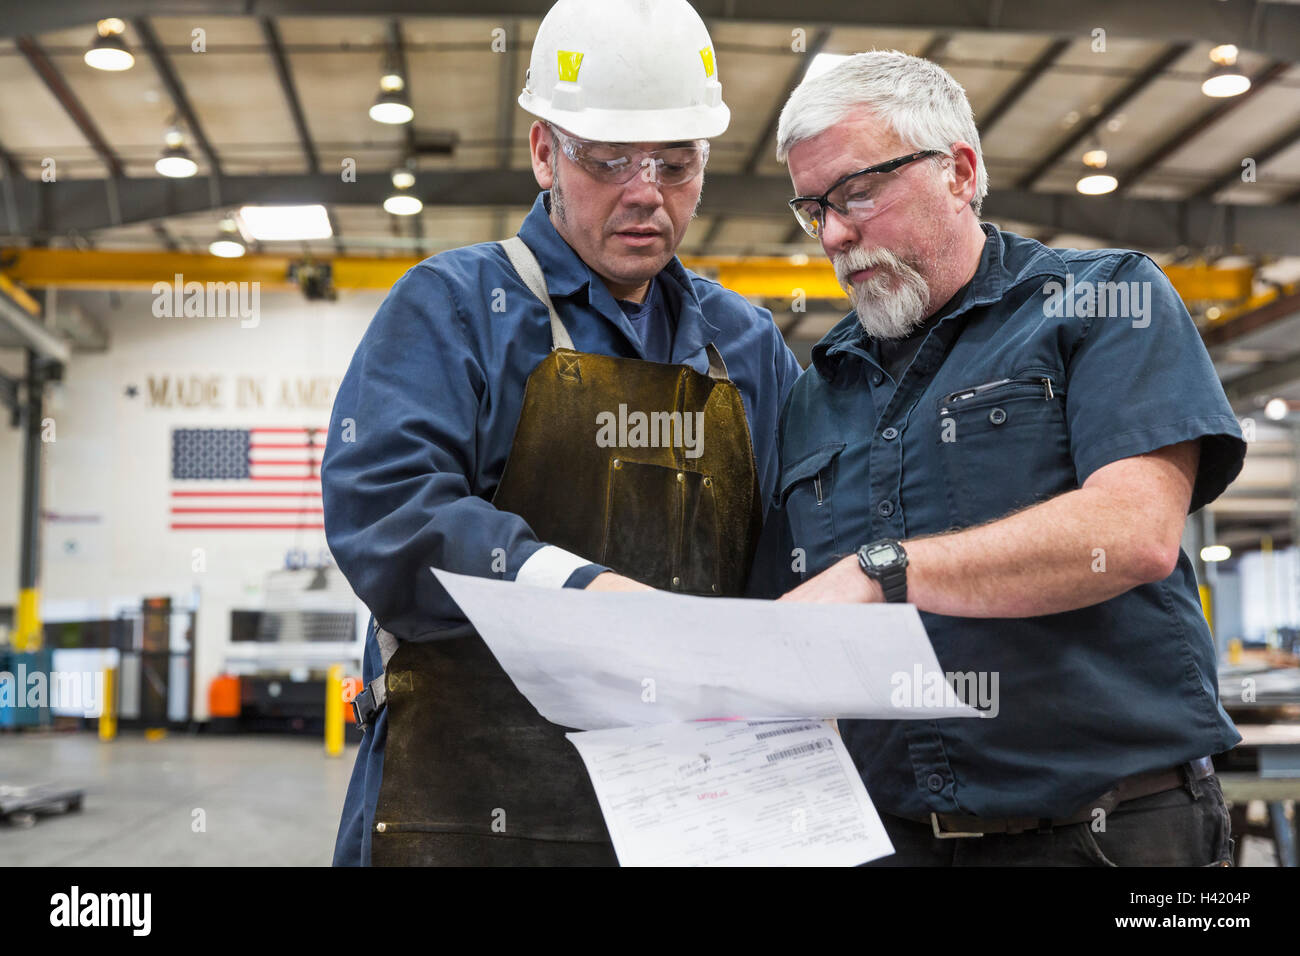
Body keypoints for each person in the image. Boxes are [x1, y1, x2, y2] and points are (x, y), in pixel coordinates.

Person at [323, 0, 801, 866]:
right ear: (545, 151)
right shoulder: (456, 308)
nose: (646, 191)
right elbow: (389, 512)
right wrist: (587, 597)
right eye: (610, 159)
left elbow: (797, 549)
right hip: (464, 818)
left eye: (676, 162)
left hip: (688, 818)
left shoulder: (749, 347)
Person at [756, 50, 1244, 866]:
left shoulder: (1101, 302)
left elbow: (1132, 533)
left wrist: (881, 571)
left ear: (959, 171)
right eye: (815, 209)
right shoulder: (819, 390)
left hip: (1108, 838)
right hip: (893, 840)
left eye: (858, 193)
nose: (835, 233)